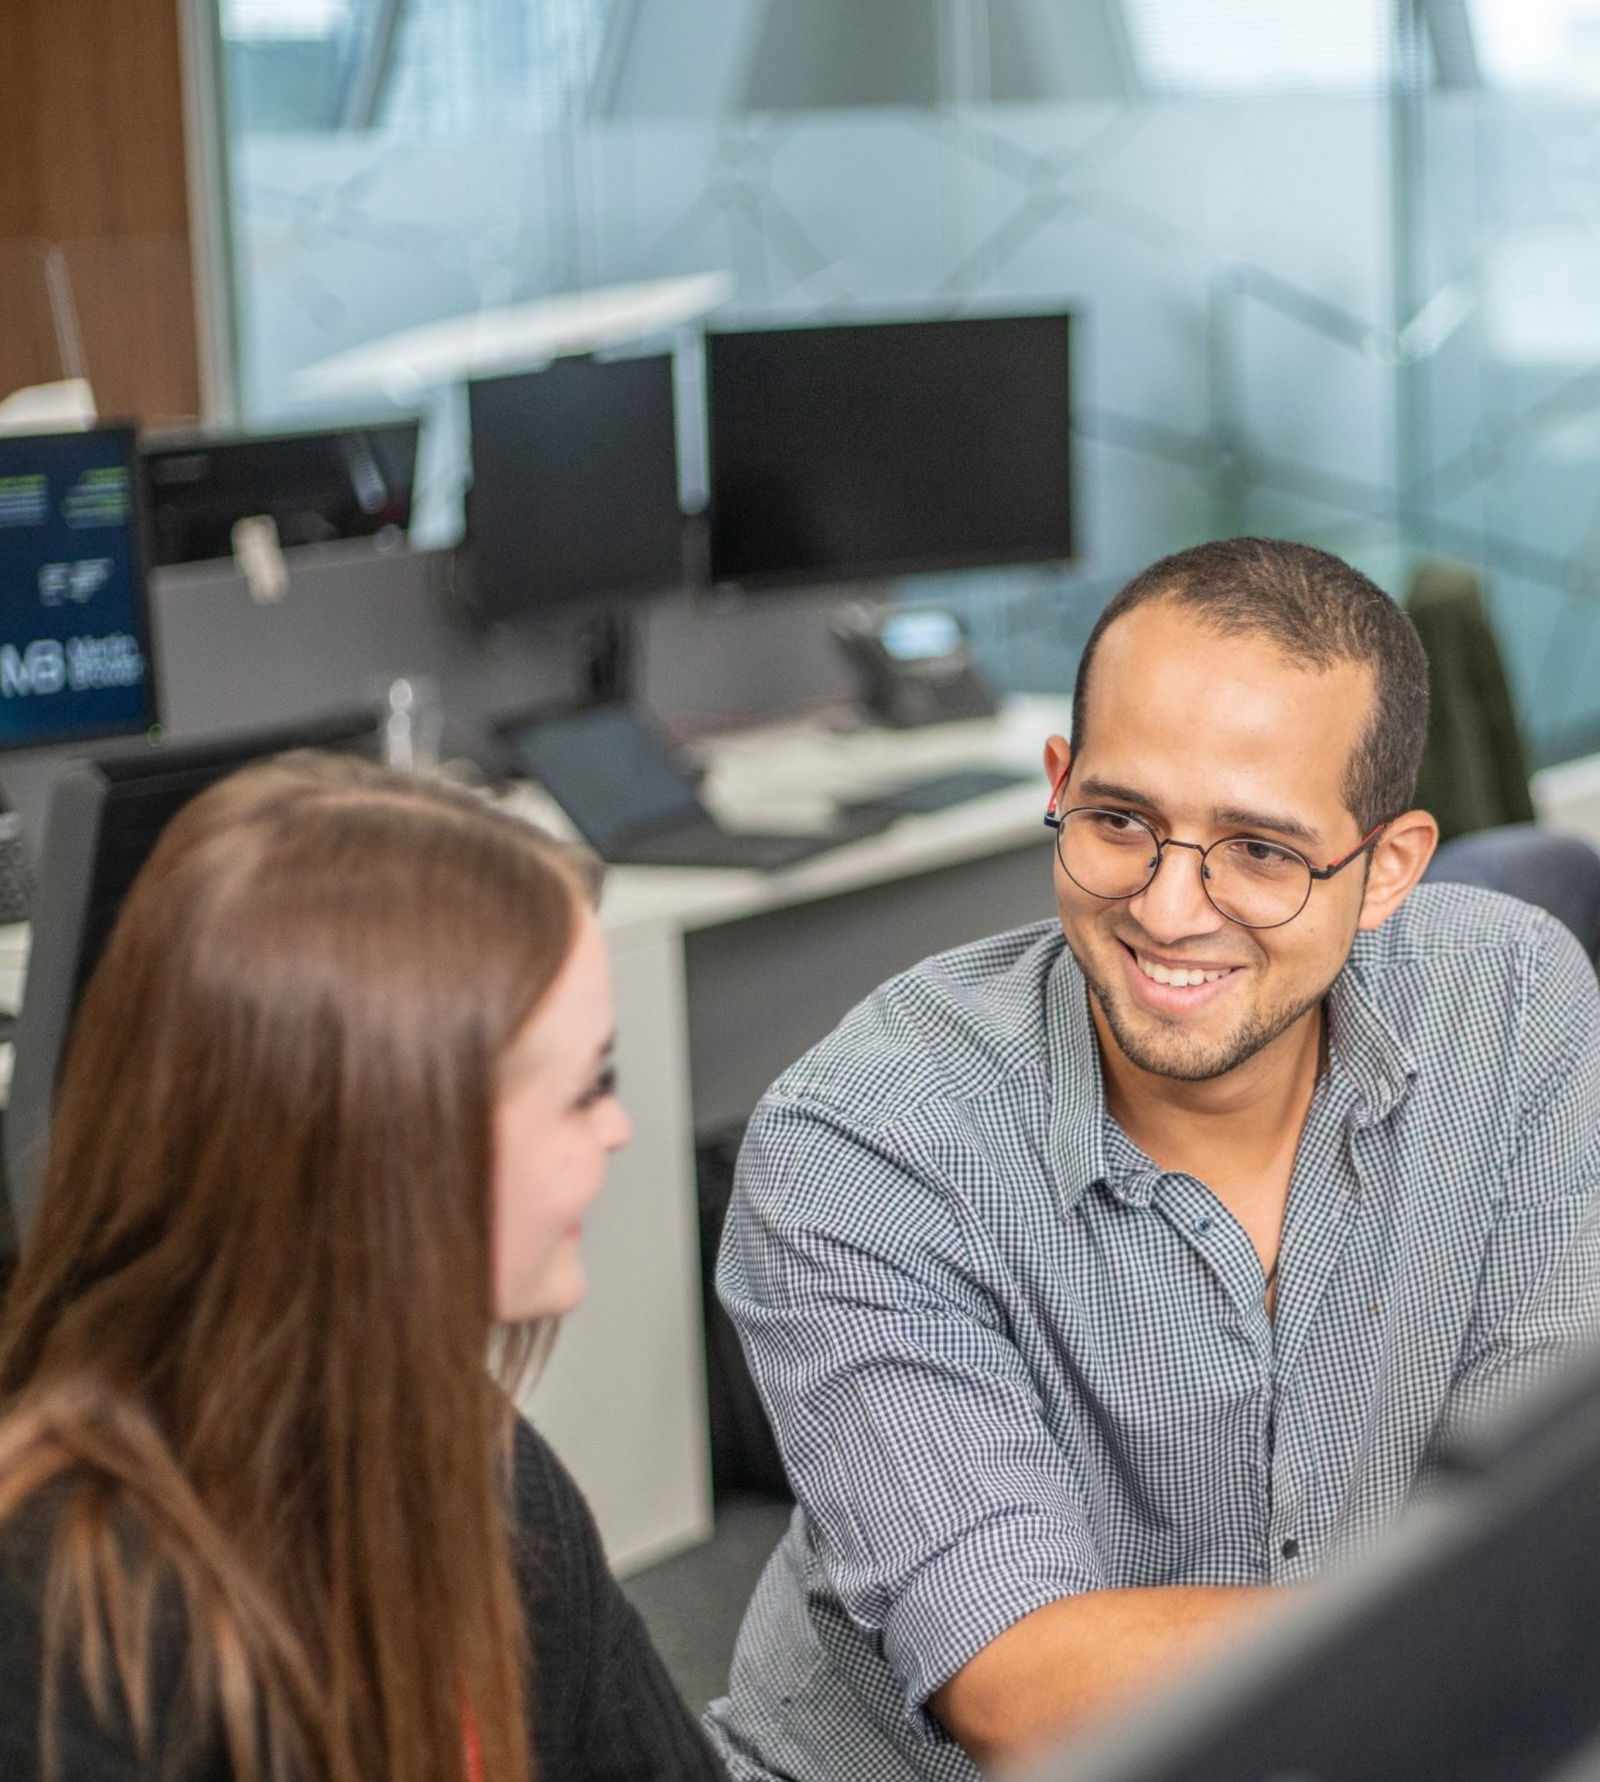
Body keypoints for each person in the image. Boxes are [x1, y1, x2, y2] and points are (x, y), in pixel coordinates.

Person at [705, 537, 1600, 1781]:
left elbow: (1548, 1497)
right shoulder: (861, 1147)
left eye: (1262, 851)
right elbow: (1026, 1691)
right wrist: (1483, 1628)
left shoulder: (1510, 998)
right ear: (1060, 781)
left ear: (1387, 868)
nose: (1170, 910)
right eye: (1121, 820)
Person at [0, 752, 726, 1782]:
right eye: (581, 1090)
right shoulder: (69, 1619)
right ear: (393, 1145)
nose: (616, 1129)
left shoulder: (474, 1457)